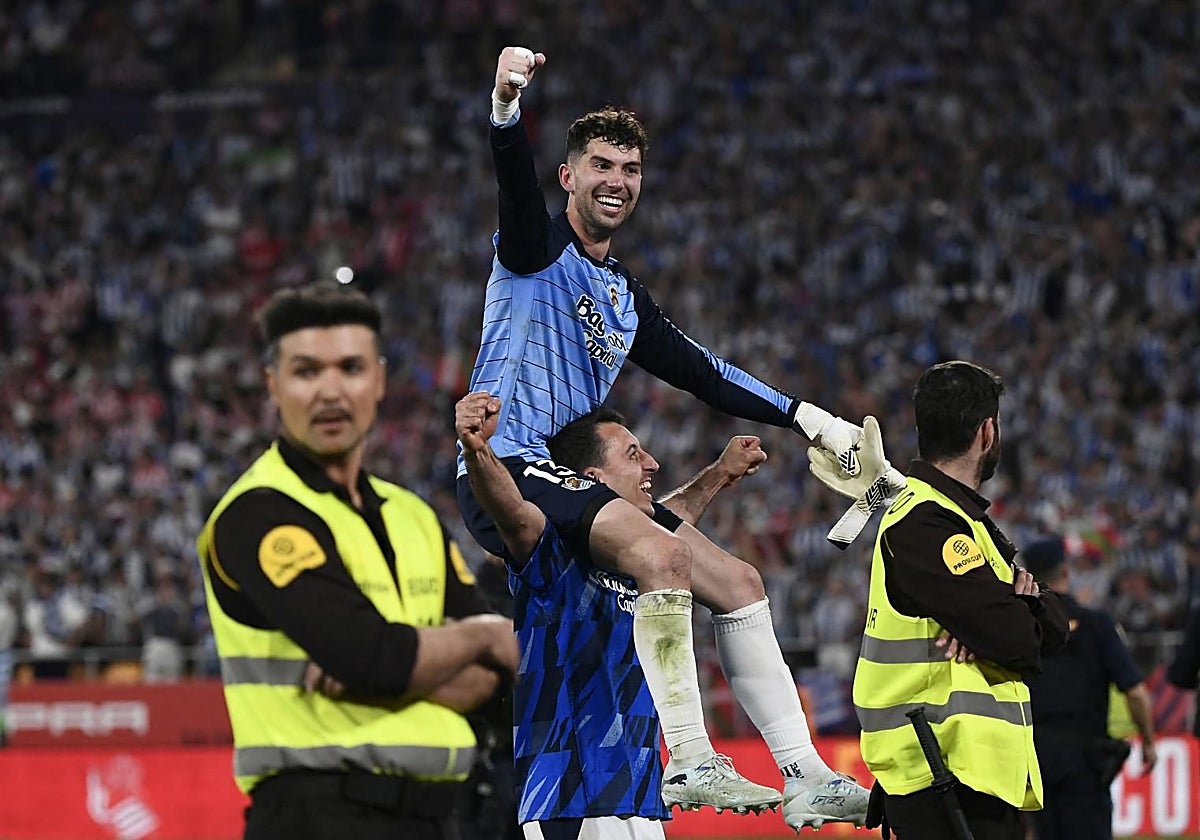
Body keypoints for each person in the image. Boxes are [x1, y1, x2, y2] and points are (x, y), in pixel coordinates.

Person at [456, 45, 894, 826]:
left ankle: (805, 776)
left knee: (740, 583)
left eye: (630, 169)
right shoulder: (533, 251)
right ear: (569, 177)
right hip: (510, 465)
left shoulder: (623, 297)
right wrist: (505, 108)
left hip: (575, 483)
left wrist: (812, 420)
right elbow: (513, 190)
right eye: (601, 165)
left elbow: (704, 371)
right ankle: (690, 756)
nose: (617, 180)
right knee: (663, 559)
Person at [457, 393, 865, 837]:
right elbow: (514, 516)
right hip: (572, 792)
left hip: (639, 789)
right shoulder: (554, 553)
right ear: (591, 480)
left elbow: (668, 524)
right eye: (633, 455)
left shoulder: (637, 562)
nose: (651, 464)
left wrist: (718, 475)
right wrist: (478, 451)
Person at [196, 284, 519, 840]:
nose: (330, 391)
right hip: (316, 816)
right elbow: (374, 660)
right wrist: (484, 635)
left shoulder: (413, 515)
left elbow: (499, 687)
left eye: (350, 368)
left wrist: (402, 663)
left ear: (380, 380)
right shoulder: (257, 514)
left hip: (443, 818)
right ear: (273, 385)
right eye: (305, 371)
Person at [851, 360, 1071, 840]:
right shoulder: (926, 522)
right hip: (943, 775)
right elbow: (1019, 640)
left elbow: (1048, 626)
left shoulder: (959, 519)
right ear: (986, 433)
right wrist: (1010, 613)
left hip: (969, 778)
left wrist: (1012, 613)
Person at [1021, 536, 1156, 840]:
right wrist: (1148, 741)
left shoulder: (1020, 629)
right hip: (1085, 762)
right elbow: (1135, 692)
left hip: (1033, 762)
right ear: (1065, 571)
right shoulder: (1096, 625)